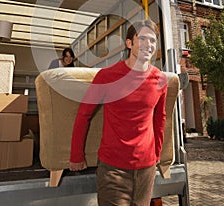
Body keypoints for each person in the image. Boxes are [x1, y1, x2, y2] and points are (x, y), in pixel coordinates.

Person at [69, 20, 168, 206]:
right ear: (129, 43)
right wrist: (76, 155)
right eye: (143, 38)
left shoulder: (161, 79)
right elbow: (84, 114)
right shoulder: (107, 76)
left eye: (153, 41)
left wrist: (156, 155)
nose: (149, 44)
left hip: (146, 169)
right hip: (113, 170)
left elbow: (159, 119)